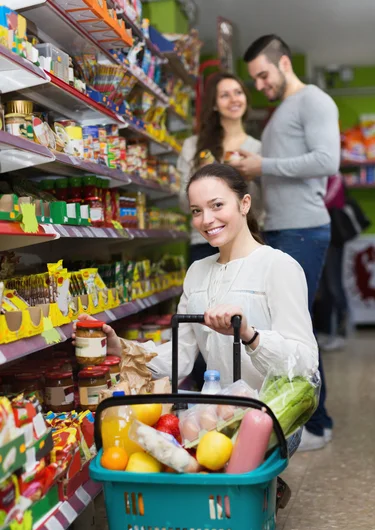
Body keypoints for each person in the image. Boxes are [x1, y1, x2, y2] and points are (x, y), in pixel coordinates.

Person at [73, 164, 319, 456]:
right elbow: (181, 357)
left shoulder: (279, 267)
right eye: (196, 211)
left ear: (244, 203)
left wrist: (250, 336)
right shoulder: (197, 272)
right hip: (212, 415)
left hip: (270, 418)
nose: (207, 220)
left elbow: (304, 364)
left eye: (217, 205)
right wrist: (120, 347)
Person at [232, 34, 341, 451]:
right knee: (286, 326)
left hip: (303, 229)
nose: (259, 85)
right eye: (254, 79)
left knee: (297, 329)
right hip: (282, 230)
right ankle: (303, 419)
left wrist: (263, 164)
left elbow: (327, 160)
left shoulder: (314, 100)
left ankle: (319, 424)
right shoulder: (282, 113)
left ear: (284, 63)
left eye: (262, 75)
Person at [177, 72, 263, 265]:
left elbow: (260, 207)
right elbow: (184, 204)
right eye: (225, 95)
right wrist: (200, 180)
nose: (234, 99)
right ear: (214, 104)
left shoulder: (257, 149)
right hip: (204, 241)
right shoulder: (193, 147)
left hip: (246, 243)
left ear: (246, 99)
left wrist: (246, 179)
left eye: (238, 92)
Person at [314, 174, 349, 351]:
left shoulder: (335, 176)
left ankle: (341, 333)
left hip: (334, 238)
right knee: (324, 287)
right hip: (321, 236)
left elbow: (326, 201)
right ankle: (327, 332)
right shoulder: (317, 176)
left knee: (334, 284)